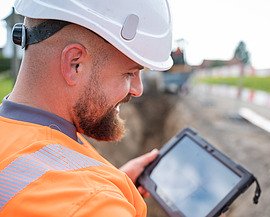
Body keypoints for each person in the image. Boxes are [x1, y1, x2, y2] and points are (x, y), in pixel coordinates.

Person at [0, 0, 173, 216]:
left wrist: (114, 186)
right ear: (75, 63)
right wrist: (102, 197)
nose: (138, 90)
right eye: (129, 73)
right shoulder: (93, 204)